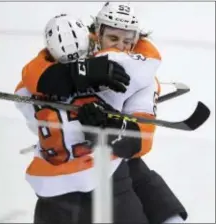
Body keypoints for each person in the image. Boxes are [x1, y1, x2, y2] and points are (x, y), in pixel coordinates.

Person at [16, 2, 187, 223]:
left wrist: (112, 130)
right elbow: (34, 73)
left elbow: (141, 140)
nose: (121, 47)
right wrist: (77, 73)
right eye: (113, 39)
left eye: (128, 42)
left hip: (93, 171)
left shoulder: (141, 73)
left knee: (133, 167)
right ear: (96, 35)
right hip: (71, 175)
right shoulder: (74, 48)